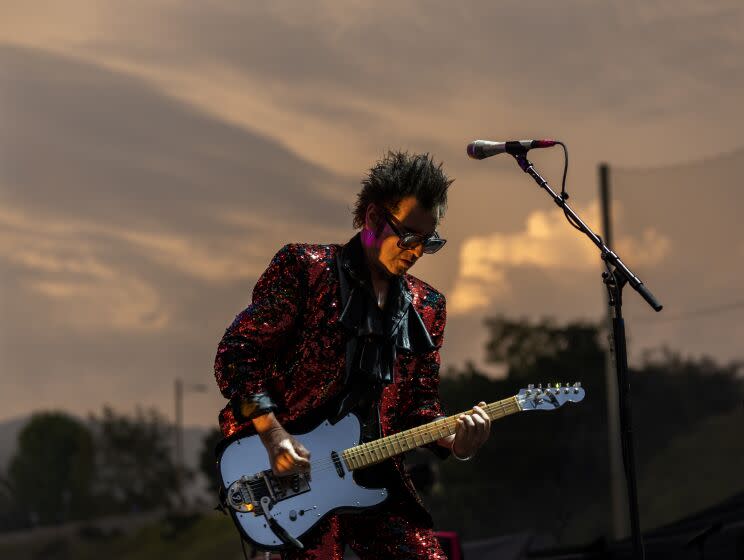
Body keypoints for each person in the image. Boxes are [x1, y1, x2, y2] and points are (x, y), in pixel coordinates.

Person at [214, 150, 491, 559]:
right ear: (375, 219)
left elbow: (420, 407)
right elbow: (236, 357)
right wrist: (274, 436)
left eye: (428, 242)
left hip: (377, 473)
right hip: (293, 475)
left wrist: (457, 441)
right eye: (408, 237)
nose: (416, 251)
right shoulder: (305, 269)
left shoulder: (427, 306)